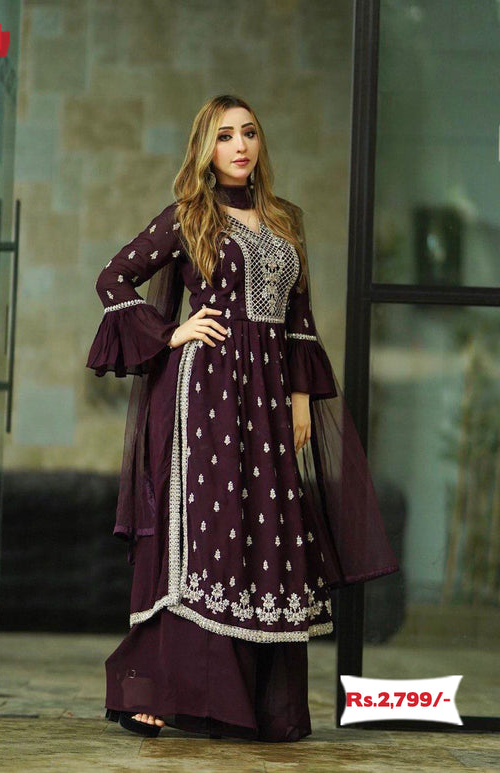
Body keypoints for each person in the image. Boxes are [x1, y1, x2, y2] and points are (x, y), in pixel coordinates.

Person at [86, 94, 399, 743]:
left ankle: (261, 706)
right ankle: (155, 692)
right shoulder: (188, 216)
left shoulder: (285, 220)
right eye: (225, 135)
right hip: (205, 395)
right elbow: (113, 277)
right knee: (206, 539)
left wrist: (302, 397)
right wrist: (171, 333)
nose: (240, 145)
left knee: (265, 538)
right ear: (207, 148)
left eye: (249, 133)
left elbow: (299, 316)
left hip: (271, 398)